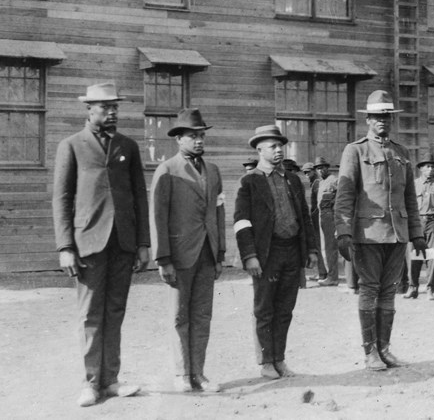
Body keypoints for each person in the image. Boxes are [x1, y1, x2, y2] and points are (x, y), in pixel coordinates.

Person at [52, 81, 150, 407]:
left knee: (115, 312)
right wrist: (65, 247)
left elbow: (139, 196)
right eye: (106, 108)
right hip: (88, 243)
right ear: (89, 110)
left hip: (122, 241)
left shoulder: (128, 147)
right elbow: (62, 198)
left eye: (115, 107)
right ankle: (91, 383)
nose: (112, 113)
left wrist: (143, 243)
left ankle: (112, 380)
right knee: (90, 315)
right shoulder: (71, 146)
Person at [333, 90, 425, 371]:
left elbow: (410, 197)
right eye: (376, 116)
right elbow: (345, 194)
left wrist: (417, 232)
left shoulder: (401, 153)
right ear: (368, 120)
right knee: (369, 290)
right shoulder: (355, 150)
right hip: (368, 233)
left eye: (386, 116)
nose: (382, 121)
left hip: (397, 233)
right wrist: (343, 231)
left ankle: (385, 349)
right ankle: (370, 352)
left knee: (389, 291)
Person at [233, 124, 319, 379]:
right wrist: (249, 255)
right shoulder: (249, 181)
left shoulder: (293, 179)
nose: (279, 149)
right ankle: (265, 361)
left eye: (281, 145)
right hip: (266, 254)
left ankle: (280, 359)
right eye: (273, 146)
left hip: (292, 251)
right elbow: (241, 221)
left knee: (285, 308)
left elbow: (304, 217)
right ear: (259, 150)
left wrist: (311, 249)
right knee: (264, 308)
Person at [149, 109, 225, 393]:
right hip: (180, 255)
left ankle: (199, 373)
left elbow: (219, 211)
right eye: (193, 136)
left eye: (202, 135)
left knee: (202, 315)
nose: (199, 140)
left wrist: (220, 253)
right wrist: (163, 258)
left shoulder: (213, 171)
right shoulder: (167, 170)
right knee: (179, 316)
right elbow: (157, 216)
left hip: (207, 254)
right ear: (179, 139)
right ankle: (182, 374)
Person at [408, 155, 434, 300]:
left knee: (431, 256)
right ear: (421, 169)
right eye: (427, 167)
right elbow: (409, 206)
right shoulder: (414, 184)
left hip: (433, 223)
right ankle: (413, 287)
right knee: (414, 256)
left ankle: (430, 288)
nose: (430, 170)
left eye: (432, 167)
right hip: (417, 223)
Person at [314, 156, 340, 286]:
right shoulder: (320, 182)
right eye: (318, 168)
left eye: (322, 168)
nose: (320, 170)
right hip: (322, 216)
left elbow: (340, 199)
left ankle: (333, 277)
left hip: (330, 215)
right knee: (324, 247)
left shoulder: (334, 180)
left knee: (330, 248)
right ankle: (329, 274)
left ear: (327, 168)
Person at [301, 162, 327, 283]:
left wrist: (312, 217)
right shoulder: (314, 182)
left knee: (319, 245)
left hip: (317, 219)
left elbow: (318, 204)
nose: (306, 175)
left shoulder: (317, 183)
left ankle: (322, 273)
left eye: (308, 172)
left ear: (314, 171)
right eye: (305, 172)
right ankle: (321, 272)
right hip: (316, 218)